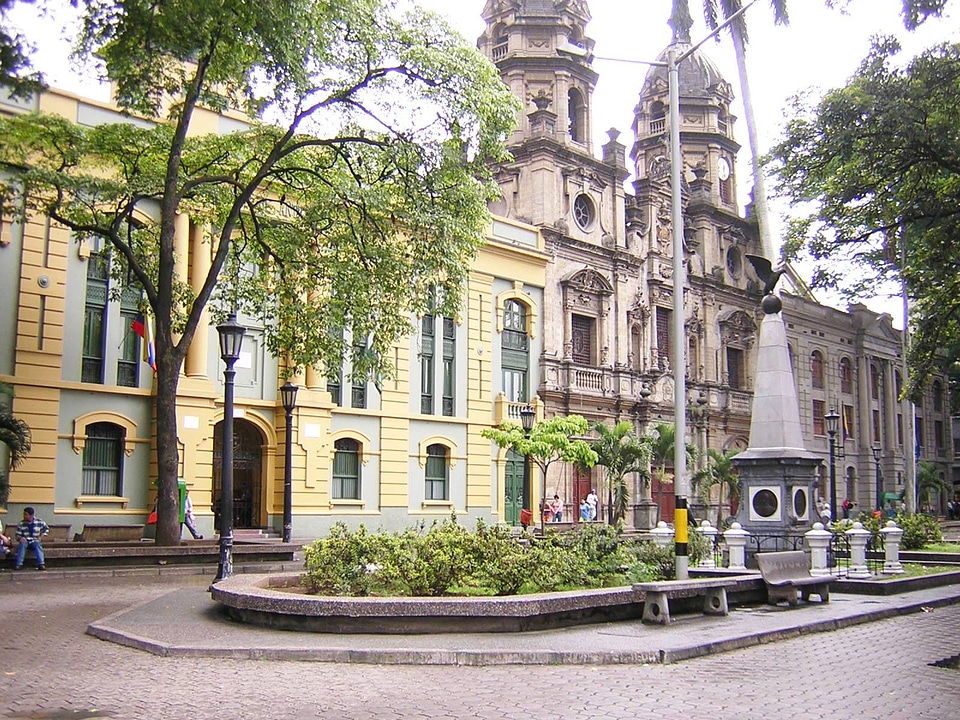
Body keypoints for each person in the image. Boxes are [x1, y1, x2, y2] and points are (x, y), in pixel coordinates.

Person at [14, 506, 49, 570]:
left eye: (26, 515)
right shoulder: (21, 524)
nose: (24, 516)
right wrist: (20, 538)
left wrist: (41, 536)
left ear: (31, 515)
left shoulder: (39, 522)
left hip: (35, 540)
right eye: (24, 514)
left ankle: (41, 564)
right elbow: (17, 535)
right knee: (22, 544)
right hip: (26, 540)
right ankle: (19, 564)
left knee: (37, 544)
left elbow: (46, 529)